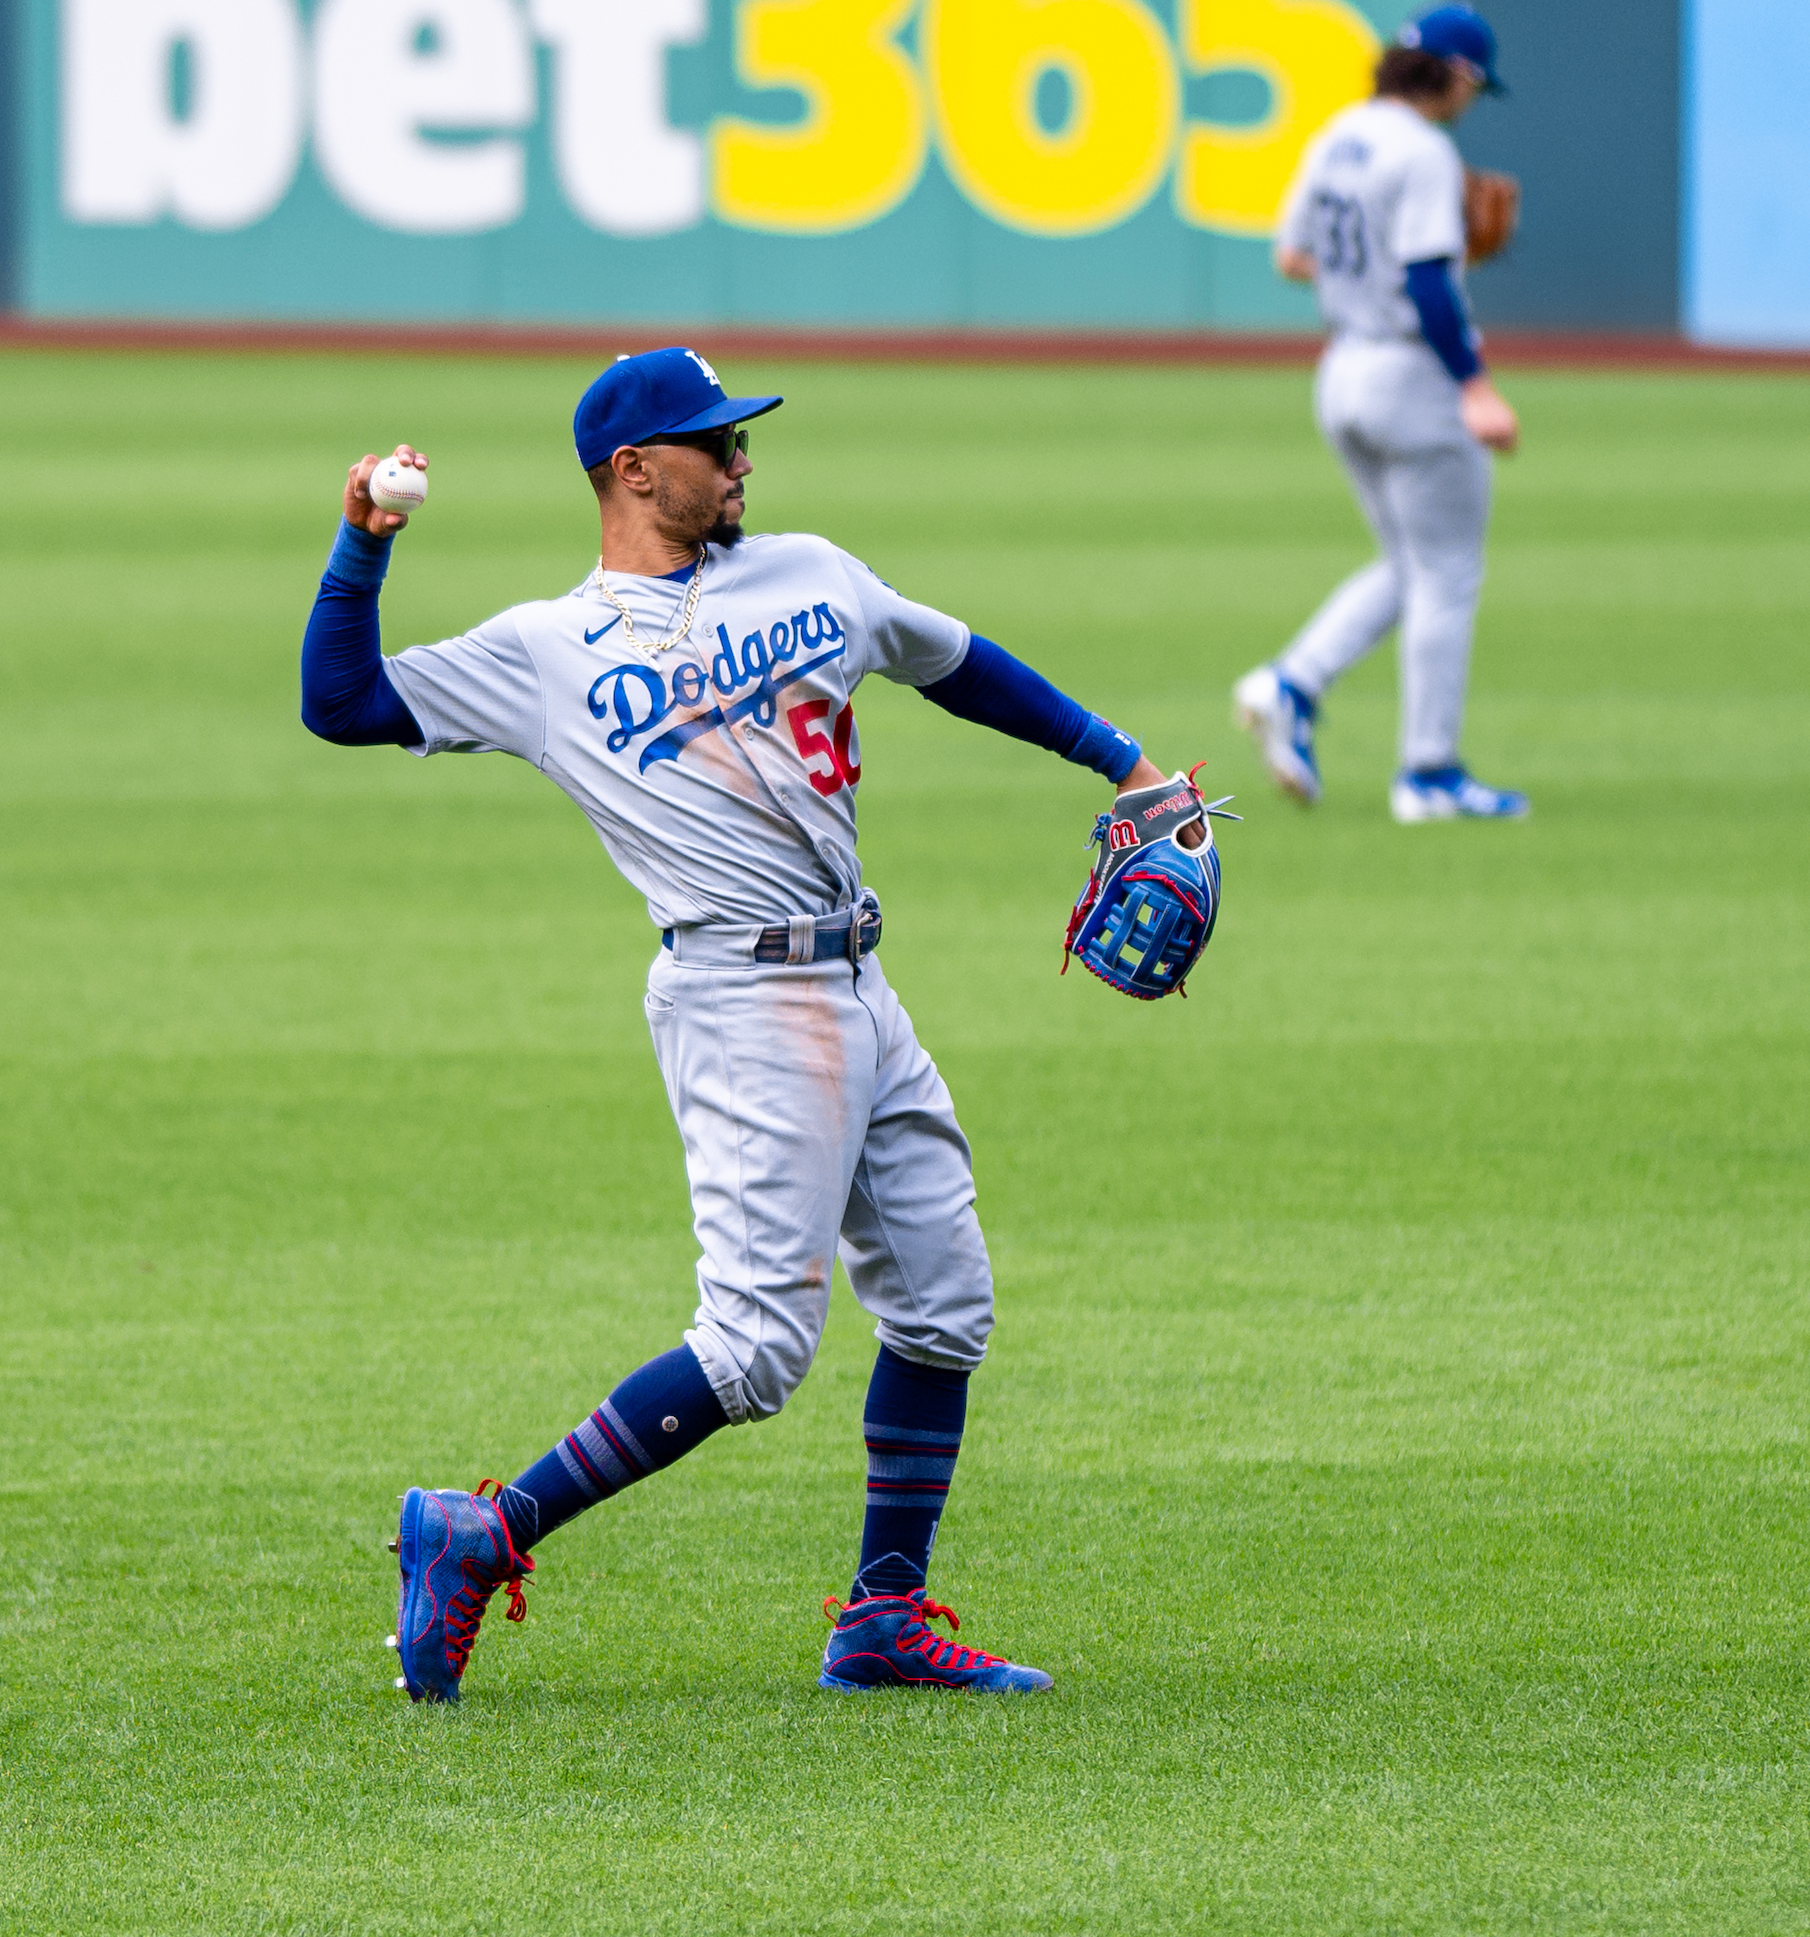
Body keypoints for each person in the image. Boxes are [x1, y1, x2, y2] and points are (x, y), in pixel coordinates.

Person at [299, 348, 1199, 1699]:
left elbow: (955, 663)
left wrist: (1120, 761)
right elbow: (344, 704)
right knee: (757, 1348)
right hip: (739, 999)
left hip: (860, 989)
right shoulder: (547, 650)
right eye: (716, 444)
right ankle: (480, 1533)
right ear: (632, 471)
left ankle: (882, 1622)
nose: (742, 463)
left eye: (740, 440)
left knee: (946, 1308)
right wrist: (363, 542)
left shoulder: (812, 572)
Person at [1234, 1, 1531, 823]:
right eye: (1476, 84)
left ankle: (1289, 684)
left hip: (1341, 373)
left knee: (1408, 564)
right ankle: (1429, 774)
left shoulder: (1342, 133)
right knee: (1447, 573)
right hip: (1411, 376)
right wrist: (1475, 385)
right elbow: (1431, 283)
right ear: (1458, 74)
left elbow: (1293, 256)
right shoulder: (1426, 150)